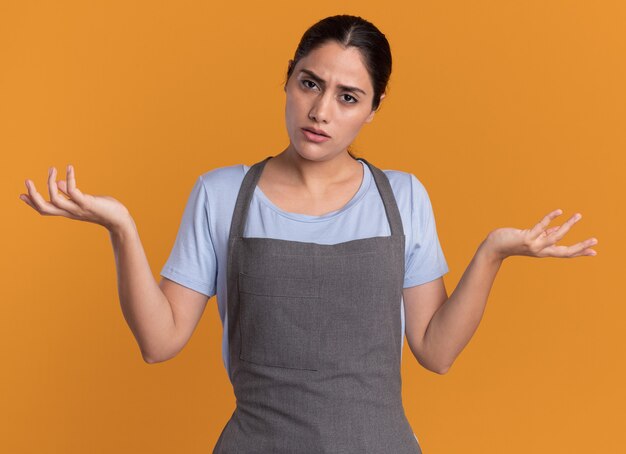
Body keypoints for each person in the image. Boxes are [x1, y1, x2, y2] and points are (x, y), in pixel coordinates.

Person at [19, 14, 598, 454]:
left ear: (373, 109)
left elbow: (436, 351)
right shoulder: (222, 194)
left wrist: (493, 253)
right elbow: (159, 341)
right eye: (309, 83)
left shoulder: (403, 197)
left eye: (348, 97)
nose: (320, 110)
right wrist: (121, 229)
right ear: (288, 80)